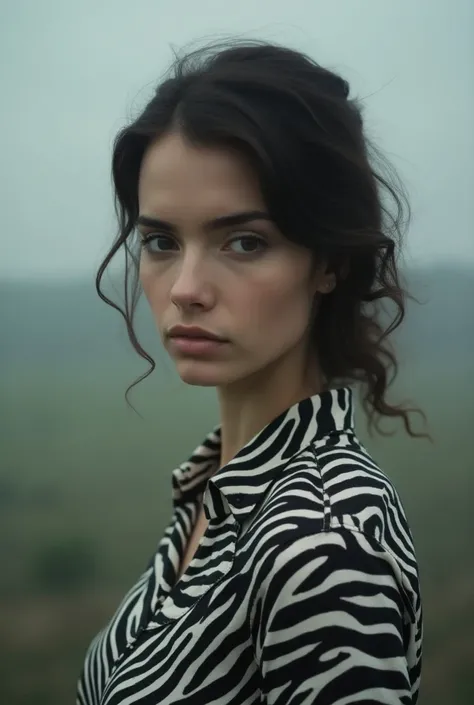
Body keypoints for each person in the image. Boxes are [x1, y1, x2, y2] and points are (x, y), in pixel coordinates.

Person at [77, 39, 427, 705]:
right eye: (161, 242)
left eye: (245, 241)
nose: (185, 287)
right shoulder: (217, 489)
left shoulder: (324, 539)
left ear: (330, 263)